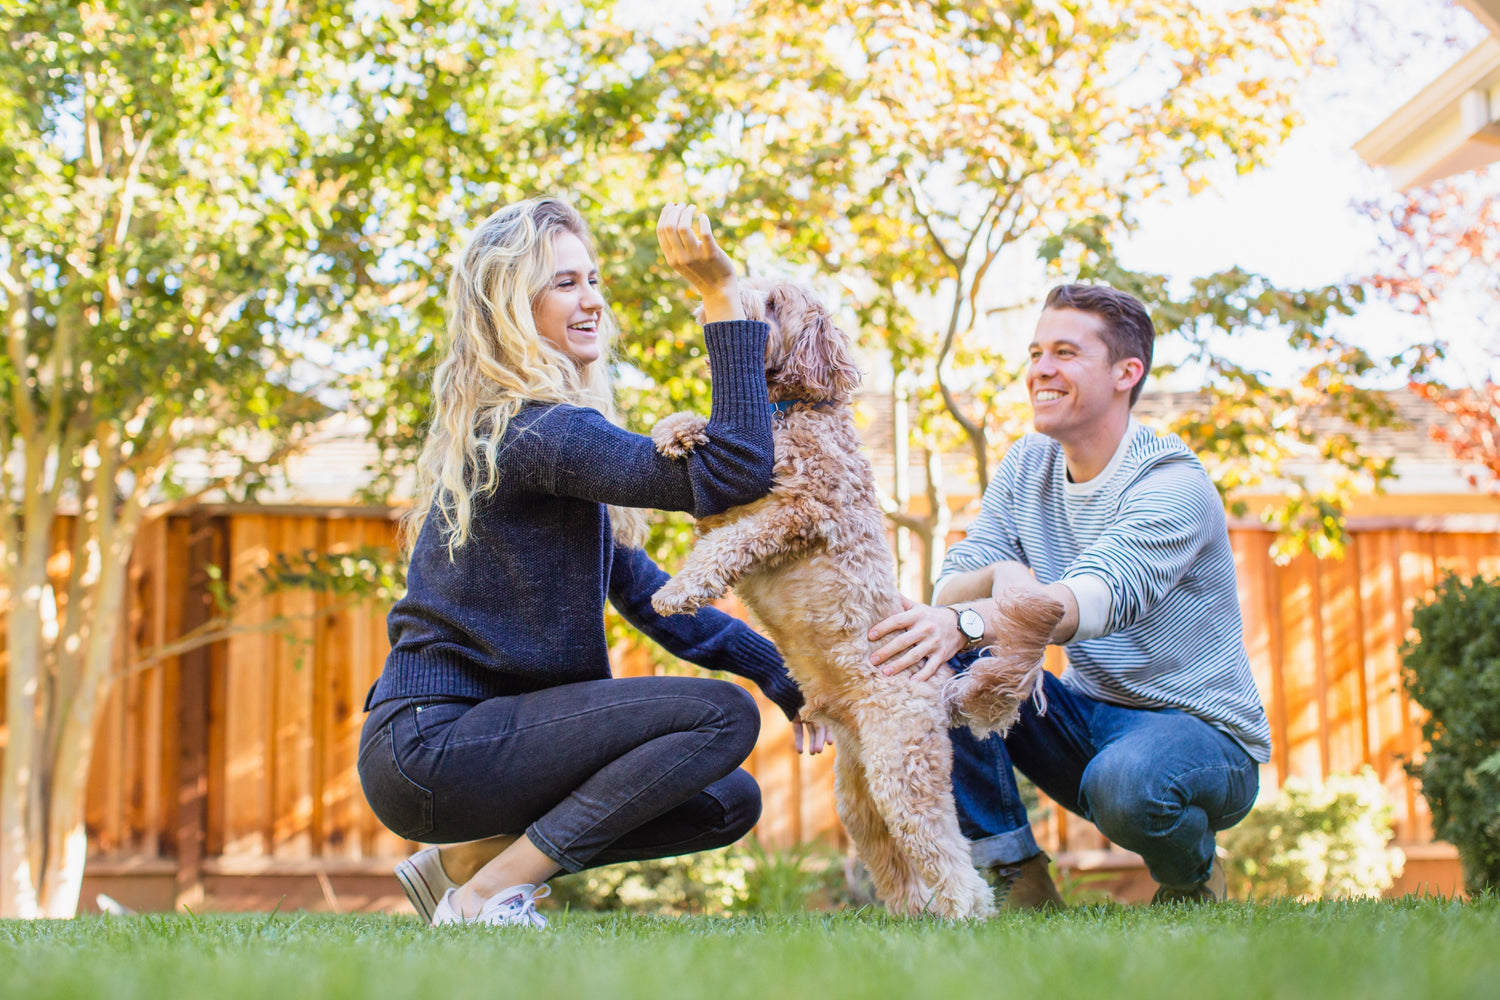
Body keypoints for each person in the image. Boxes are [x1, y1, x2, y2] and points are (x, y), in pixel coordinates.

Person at [358, 197, 825, 929]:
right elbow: (735, 470)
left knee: (725, 801)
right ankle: (485, 897)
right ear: (512, 306)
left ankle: (460, 866)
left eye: (593, 279)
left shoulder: (548, 435)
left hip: (471, 745)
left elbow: (651, 597)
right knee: (720, 717)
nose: (591, 301)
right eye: (564, 283)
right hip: (435, 740)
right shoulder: (535, 431)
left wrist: (787, 676)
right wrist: (724, 300)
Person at [867, 282, 1271, 908]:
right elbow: (951, 584)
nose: (1041, 370)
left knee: (1127, 783)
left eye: (1065, 353)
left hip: (1201, 735)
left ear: (1125, 372)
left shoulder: (1171, 485)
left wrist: (973, 620)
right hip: (1086, 717)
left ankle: (1193, 877)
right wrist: (1002, 578)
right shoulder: (1029, 464)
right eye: (1034, 354)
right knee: (933, 658)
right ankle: (1017, 874)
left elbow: (1084, 605)